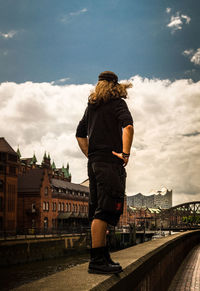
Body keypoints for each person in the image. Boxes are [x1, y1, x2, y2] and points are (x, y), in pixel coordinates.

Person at [76, 71, 134, 274]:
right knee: (105, 209)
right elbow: (128, 127)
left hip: (93, 164)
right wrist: (125, 154)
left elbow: (80, 134)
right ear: (115, 86)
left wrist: (91, 154)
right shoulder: (117, 103)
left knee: (97, 209)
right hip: (109, 163)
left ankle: (102, 256)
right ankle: (97, 261)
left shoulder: (91, 107)